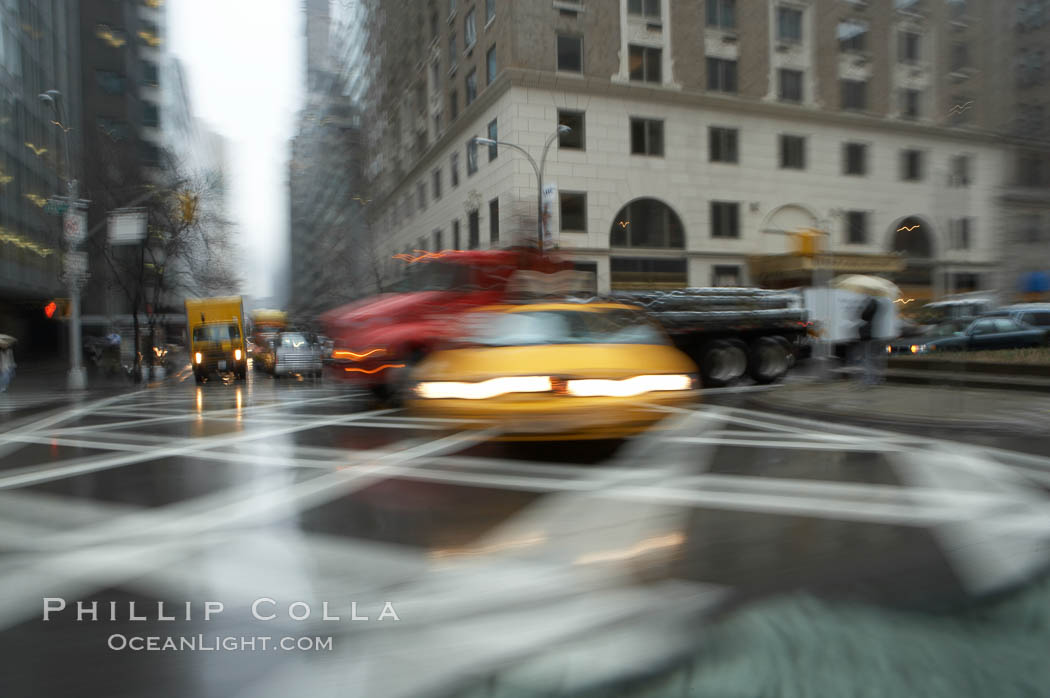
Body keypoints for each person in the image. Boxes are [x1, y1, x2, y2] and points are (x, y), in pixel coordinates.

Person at [855, 297, 883, 386]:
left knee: (868, 358)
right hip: (869, 334)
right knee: (870, 358)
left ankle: (870, 380)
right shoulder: (874, 302)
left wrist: (860, 310)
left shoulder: (872, 303)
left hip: (867, 334)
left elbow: (864, 315)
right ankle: (874, 379)